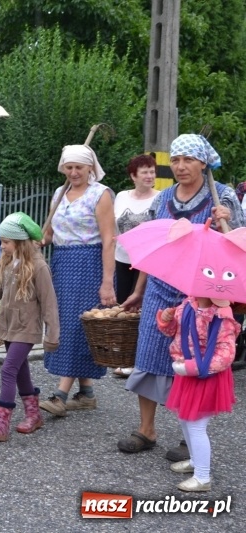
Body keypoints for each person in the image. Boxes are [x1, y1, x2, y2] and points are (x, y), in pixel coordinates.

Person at [116, 134, 244, 456]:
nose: (180, 166)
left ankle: (191, 436)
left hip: (200, 295)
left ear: (202, 162)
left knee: (194, 363)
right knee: (147, 357)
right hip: (160, 287)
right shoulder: (163, 199)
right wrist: (139, 291)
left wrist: (226, 221)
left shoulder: (223, 196)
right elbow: (155, 247)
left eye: (188, 159)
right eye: (175, 160)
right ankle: (146, 430)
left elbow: (236, 248)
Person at [0, 212, 59, 441]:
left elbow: (49, 303)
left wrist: (52, 334)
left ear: (20, 242)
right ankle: (34, 414)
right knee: (20, 370)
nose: (2, 246)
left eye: (6, 242)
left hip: (27, 328)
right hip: (8, 325)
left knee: (8, 369)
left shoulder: (38, 267)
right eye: (2, 241)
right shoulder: (5, 263)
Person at [39, 145, 116, 417]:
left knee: (75, 326)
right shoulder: (59, 195)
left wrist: (107, 282)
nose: (73, 172)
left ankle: (60, 395)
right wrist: (40, 238)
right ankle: (86, 393)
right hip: (62, 263)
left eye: (79, 168)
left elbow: (109, 240)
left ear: (90, 168)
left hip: (89, 263)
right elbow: (49, 233)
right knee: (65, 323)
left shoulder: (101, 194)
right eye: (69, 167)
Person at [157, 295, 239, 492]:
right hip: (186, 370)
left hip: (205, 375)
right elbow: (173, 332)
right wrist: (166, 319)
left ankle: (202, 477)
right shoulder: (186, 305)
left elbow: (226, 354)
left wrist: (195, 367)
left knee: (196, 426)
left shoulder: (222, 317)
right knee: (185, 418)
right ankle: (195, 461)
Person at [112, 154, 160, 378]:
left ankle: (139, 359)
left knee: (141, 308)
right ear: (133, 176)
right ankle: (124, 356)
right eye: (145, 172)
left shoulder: (159, 198)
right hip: (122, 258)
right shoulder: (121, 196)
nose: (150, 176)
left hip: (149, 262)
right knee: (124, 306)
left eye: (152, 171)